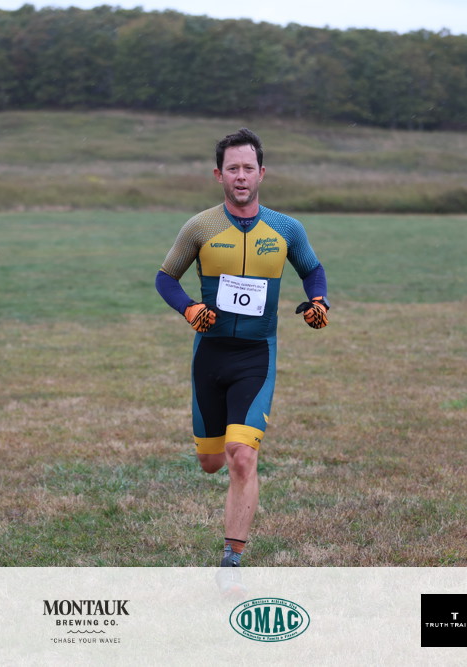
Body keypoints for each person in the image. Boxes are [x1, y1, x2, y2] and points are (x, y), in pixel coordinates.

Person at [155, 128, 329, 567]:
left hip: (256, 356)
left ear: (261, 173)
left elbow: (312, 270)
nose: (241, 176)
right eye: (232, 168)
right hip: (210, 356)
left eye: (248, 168)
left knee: (242, 456)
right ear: (219, 175)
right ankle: (216, 455)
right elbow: (165, 278)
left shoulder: (286, 228)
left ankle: (231, 558)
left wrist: (319, 301)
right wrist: (190, 309)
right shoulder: (201, 226)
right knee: (212, 461)